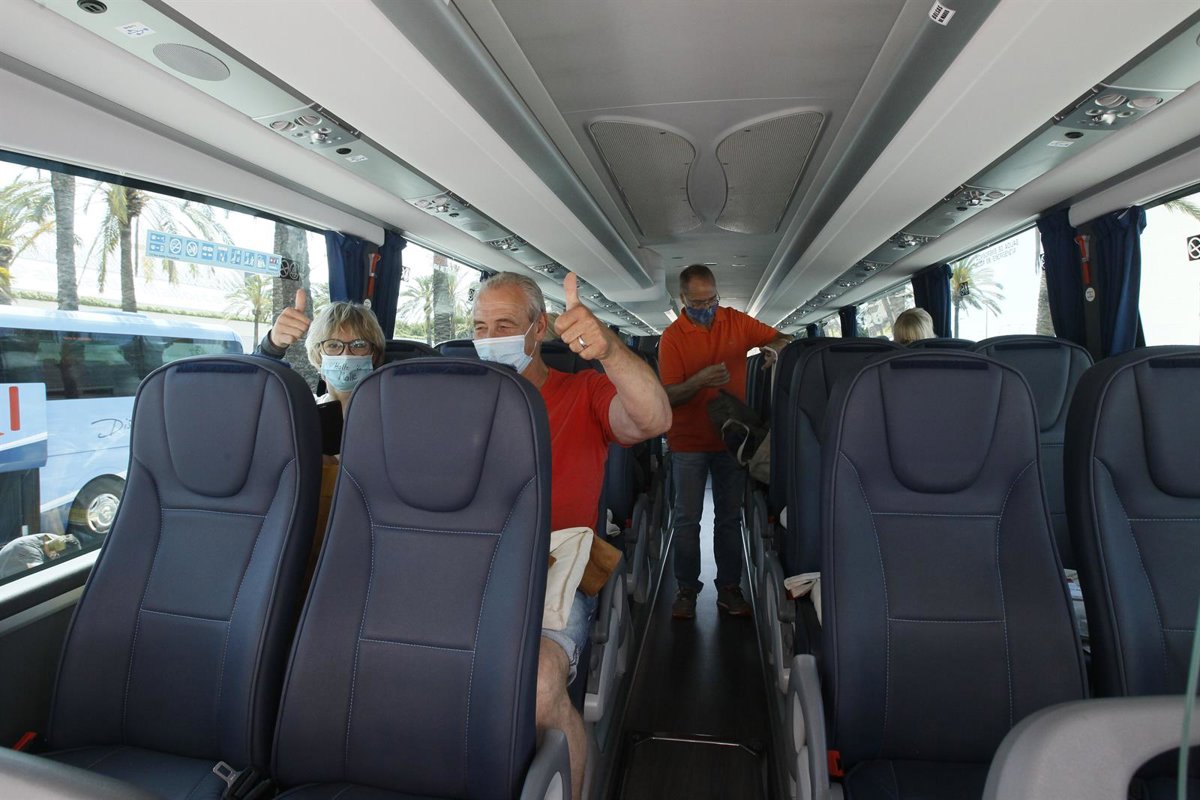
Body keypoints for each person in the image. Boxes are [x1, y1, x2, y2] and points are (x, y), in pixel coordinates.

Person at [472, 271, 670, 800]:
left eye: (504, 325)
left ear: (538, 329)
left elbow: (652, 419)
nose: (489, 338)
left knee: (539, 686)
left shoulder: (582, 391)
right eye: (480, 327)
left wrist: (609, 351)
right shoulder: (458, 399)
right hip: (469, 569)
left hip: (554, 569)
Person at [659, 264, 790, 620]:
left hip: (732, 440)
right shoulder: (672, 338)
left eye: (711, 300)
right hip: (688, 442)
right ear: (683, 299)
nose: (706, 308)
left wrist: (774, 350)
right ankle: (686, 589)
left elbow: (782, 337)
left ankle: (730, 588)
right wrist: (699, 381)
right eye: (698, 303)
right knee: (687, 520)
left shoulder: (736, 322)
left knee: (730, 518)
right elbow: (668, 396)